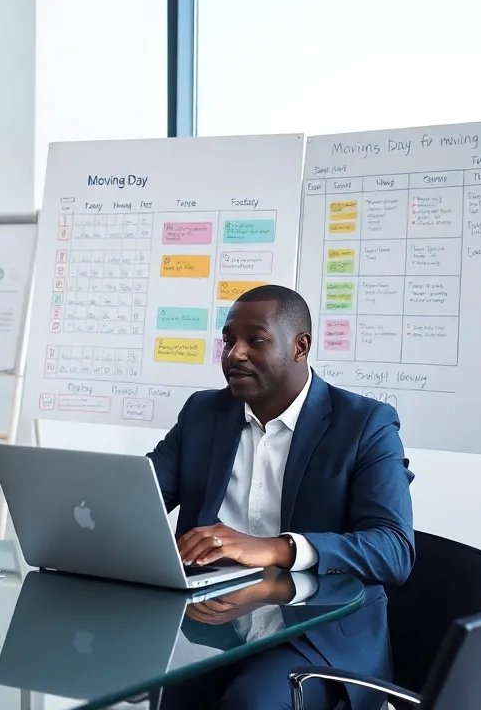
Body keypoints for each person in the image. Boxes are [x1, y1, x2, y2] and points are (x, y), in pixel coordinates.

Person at [146, 284, 414, 710]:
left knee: (248, 705)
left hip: (316, 637)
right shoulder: (202, 413)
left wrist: (275, 549)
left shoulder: (365, 424)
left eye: (256, 340)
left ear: (300, 346)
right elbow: (143, 498)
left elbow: (393, 549)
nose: (234, 353)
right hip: (208, 625)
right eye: (229, 340)